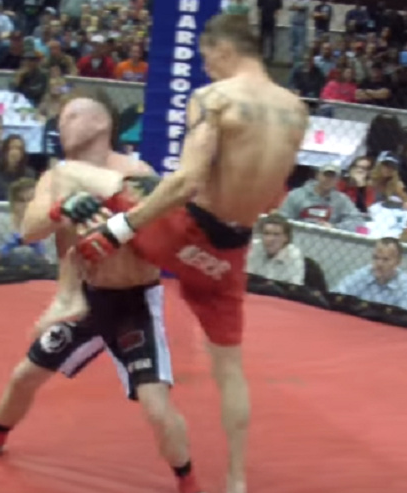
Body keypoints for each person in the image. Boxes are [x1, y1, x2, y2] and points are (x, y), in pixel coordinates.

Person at [40, 14, 308, 493]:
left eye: (206, 58)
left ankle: (69, 295)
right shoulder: (297, 111)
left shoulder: (214, 98)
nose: (206, 67)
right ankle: (237, 481)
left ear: (222, 49)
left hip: (183, 232)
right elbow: (273, 194)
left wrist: (120, 228)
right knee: (229, 369)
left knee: (82, 180)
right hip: (229, 255)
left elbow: (184, 182)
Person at [0, 93, 204, 493]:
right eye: (62, 118)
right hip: (86, 300)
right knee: (24, 376)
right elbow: (29, 229)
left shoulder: (135, 172)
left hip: (133, 302)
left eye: (72, 116)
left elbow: (164, 234)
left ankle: (189, 483)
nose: (62, 124)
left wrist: (117, 230)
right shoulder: (57, 177)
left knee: (155, 404)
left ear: (101, 123)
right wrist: (59, 209)